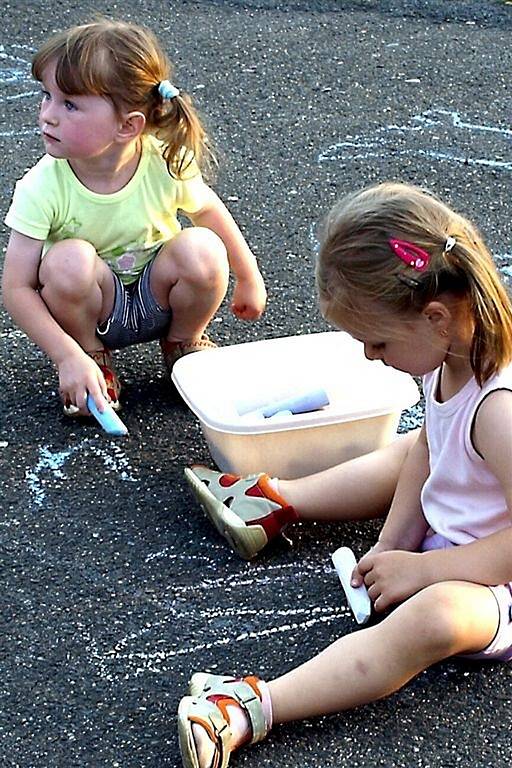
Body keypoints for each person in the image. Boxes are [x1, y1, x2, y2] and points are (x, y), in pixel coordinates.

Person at [177, 182, 512, 767]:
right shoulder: (450, 356)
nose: (369, 356)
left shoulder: (501, 411)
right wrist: (392, 546)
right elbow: (432, 450)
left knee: (433, 619)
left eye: (377, 341)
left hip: (495, 587)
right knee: (418, 444)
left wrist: (426, 570)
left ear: (435, 318)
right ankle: (276, 500)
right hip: (459, 539)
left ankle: (252, 705)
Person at [2, 19, 266, 416]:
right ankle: (91, 358)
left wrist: (248, 277)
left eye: (69, 104)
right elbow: (16, 289)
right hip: (95, 305)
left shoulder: (162, 161)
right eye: (47, 97)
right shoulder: (42, 187)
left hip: (155, 296)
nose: (48, 115)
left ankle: (184, 345)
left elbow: (210, 211)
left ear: (128, 126)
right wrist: (66, 356)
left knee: (203, 249)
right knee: (67, 261)